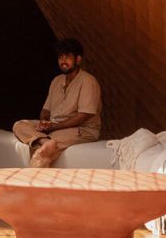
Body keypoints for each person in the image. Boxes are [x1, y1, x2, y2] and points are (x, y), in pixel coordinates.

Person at [12, 38, 102, 167]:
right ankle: (45, 142)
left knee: (46, 145)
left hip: (82, 130)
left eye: (67, 57)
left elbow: (83, 116)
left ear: (78, 59)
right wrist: (44, 122)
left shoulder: (88, 81)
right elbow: (46, 110)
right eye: (60, 57)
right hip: (55, 126)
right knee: (19, 125)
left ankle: (35, 174)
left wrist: (53, 127)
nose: (63, 61)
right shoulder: (56, 81)